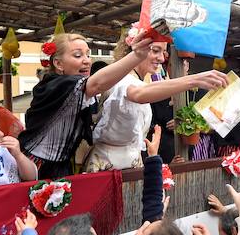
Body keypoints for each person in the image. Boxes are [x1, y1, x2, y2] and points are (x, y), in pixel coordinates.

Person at [19, 30, 152, 179]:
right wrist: (137, 56)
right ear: (58, 63)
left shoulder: (77, 92)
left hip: (61, 166)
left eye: (88, 55)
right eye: (78, 55)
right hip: (35, 166)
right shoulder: (56, 86)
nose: (87, 61)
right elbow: (97, 84)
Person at [85, 34, 227, 171]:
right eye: (155, 51)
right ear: (136, 48)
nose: (161, 58)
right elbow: (138, 93)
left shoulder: (139, 81)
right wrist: (194, 80)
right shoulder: (123, 79)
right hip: (107, 166)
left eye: (163, 53)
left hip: (131, 165)